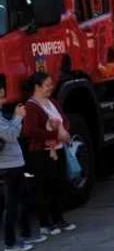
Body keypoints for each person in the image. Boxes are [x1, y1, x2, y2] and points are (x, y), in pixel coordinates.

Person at [21, 72, 75, 236]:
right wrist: (55, 135)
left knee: (59, 184)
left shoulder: (52, 102)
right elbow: (30, 131)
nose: (50, 87)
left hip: (58, 150)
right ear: (37, 87)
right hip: (41, 153)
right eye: (47, 85)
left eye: (51, 84)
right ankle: (45, 223)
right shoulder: (31, 106)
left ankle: (59, 218)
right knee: (45, 188)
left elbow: (64, 118)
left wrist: (64, 129)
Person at [0, 87, 46, 251]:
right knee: (11, 205)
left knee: (22, 199)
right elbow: (11, 135)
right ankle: (11, 243)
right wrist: (18, 117)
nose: (3, 100)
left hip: (15, 164)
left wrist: (14, 118)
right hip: (8, 166)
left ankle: (24, 235)